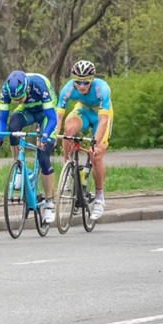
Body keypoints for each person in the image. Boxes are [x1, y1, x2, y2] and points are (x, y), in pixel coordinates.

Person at [0, 70, 58, 223]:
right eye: (14, 99)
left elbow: (52, 118)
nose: (18, 101)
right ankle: (19, 168)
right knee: (13, 125)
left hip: (46, 113)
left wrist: (45, 136)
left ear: (28, 89)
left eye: (20, 97)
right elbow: (2, 118)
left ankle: (49, 203)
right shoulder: (6, 89)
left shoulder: (39, 86)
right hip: (27, 111)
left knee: (43, 156)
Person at [55, 60, 113, 220]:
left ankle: (100, 197)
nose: (81, 86)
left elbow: (102, 121)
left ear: (92, 80)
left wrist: (94, 142)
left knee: (96, 154)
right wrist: (53, 134)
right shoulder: (67, 89)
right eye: (78, 82)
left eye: (85, 82)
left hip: (101, 117)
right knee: (68, 129)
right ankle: (68, 166)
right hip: (83, 111)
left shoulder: (101, 89)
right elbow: (59, 116)